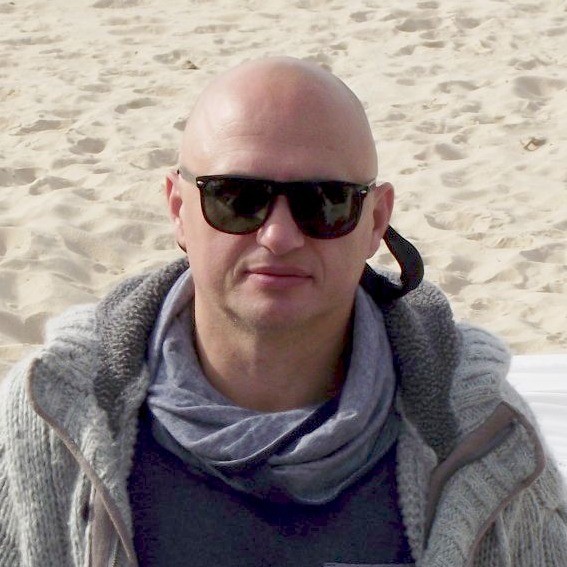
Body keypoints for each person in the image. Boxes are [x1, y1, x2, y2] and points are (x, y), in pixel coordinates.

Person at [0, 57, 566, 567]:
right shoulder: (54, 418)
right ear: (177, 210)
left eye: (325, 202)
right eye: (236, 198)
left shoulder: (485, 438)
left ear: (375, 220)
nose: (278, 235)